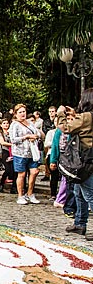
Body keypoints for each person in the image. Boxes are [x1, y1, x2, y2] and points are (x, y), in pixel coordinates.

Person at [57, 89, 93, 240]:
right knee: (78, 192)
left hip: (84, 159)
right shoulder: (88, 116)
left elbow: (66, 128)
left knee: (89, 194)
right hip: (87, 158)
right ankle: (80, 222)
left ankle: (81, 222)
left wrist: (60, 114)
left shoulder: (86, 117)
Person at [8, 103, 41, 205]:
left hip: (32, 152)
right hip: (20, 153)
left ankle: (30, 193)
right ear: (16, 114)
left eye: (24, 112)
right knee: (21, 174)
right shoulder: (14, 124)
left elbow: (38, 133)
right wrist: (25, 137)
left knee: (34, 172)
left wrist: (35, 136)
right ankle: (20, 195)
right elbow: (13, 139)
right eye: (20, 112)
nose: (23, 114)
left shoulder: (30, 124)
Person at [0, 118, 16, 194]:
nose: (6, 125)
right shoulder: (0, 134)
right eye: (4, 123)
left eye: (7, 123)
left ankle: (14, 187)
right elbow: (2, 142)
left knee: (15, 170)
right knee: (7, 170)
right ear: (1, 125)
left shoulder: (11, 132)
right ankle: (1, 184)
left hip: (13, 151)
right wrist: (12, 144)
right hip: (5, 152)